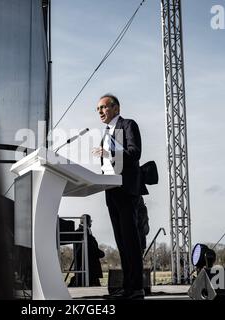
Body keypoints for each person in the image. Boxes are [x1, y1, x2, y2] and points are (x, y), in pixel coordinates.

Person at [92, 94, 146, 300]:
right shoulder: (105, 133)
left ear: (115, 108)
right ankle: (127, 287)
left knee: (131, 240)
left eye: (103, 107)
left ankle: (137, 288)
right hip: (110, 189)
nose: (99, 112)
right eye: (97, 109)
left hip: (125, 189)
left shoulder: (128, 125)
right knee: (121, 241)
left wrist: (109, 153)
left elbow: (134, 153)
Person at [69, 214, 105, 287]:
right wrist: (101, 253)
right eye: (90, 221)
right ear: (87, 222)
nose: (91, 223)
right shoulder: (85, 233)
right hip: (89, 268)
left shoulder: (81, 232)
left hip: (85, 267)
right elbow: (92, 249)